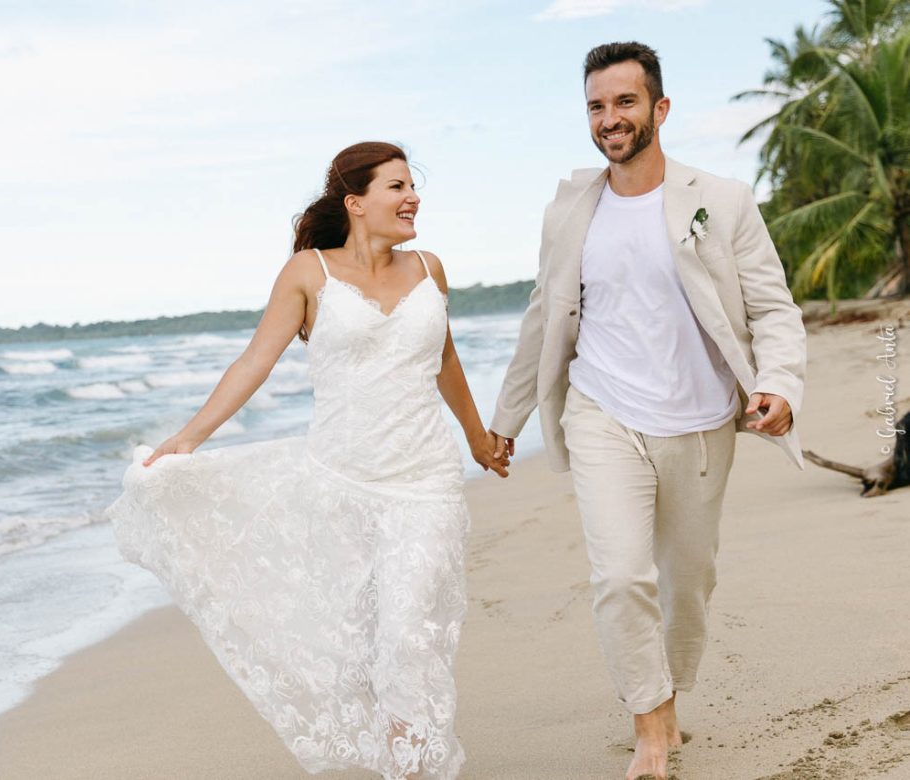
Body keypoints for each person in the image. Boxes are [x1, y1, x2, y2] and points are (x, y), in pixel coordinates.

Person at [106, 141, 508, 780]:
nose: (412, 198)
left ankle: (416, 768)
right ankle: (392, 749)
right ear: (356, 203)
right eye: (397, 187)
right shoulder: (307, 272)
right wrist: (188, 438)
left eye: (412, 186)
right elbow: (255, 361)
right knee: (360, 638)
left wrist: (476, 438)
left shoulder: (429, 268)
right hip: (339, 478)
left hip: (425, 479)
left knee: (409, 636)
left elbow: (447, 359)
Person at [488, 42, 806, 780]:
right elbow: (545, 318)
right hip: (603, 414)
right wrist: (504, 421)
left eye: (624, 103)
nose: (610, 119)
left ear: (659, 109)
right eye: (596, 106)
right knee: (621, 575)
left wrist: (782, 383)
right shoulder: (570, 208)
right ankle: (651, 727)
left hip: (699, 424)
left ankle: (669, 693)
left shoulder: (720, 199)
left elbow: (773, 308)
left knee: (686, 580)